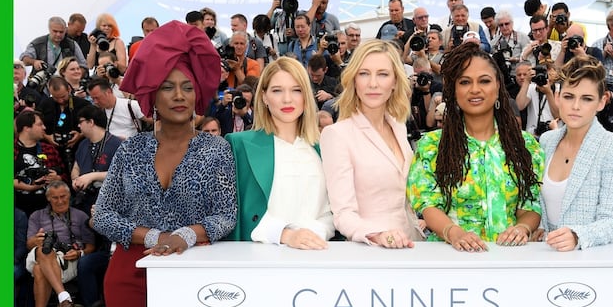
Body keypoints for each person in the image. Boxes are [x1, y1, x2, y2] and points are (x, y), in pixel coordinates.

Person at [92, 20, 237, 307]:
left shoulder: (216, 149)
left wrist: (187, 235)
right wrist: (155, 237)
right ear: (152, 96)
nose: (179, 96)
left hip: (194, 278)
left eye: (187, 87)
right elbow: (103, 215)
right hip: (130, 277)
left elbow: (226, 214)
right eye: (168, 87)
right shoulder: (131, 149)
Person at [407, 42, 544, 251]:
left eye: (484, 81)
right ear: (454, 90)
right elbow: (428, 205)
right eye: (464, 82)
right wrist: (455, 234)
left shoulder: (525, 145)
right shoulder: (432, 146)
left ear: (498, 87)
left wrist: (522, 228)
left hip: (509, 257)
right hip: (452, 257)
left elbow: (530, 204)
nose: (475, 89)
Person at [320, 40, 425, 247]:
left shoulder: (398, 126)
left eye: (383, 74)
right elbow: (343, 213)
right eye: (364, 73)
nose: (373, 83)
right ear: (353, 79)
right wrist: (377, 235)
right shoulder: (337, 135)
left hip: (412, 246)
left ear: (395, 81)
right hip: (371, 251)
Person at [532, 55, 613, 250]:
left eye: (587, 99)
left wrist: (577, 236)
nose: (576, 106)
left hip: (593, 259)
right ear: (557, 97)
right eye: (569, 96)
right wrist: (539, 227)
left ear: (601, 102)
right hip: (548, 255)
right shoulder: (547, 141)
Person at [226, 57, 335, 245]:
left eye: (296, 90)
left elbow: (332, 211)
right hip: (259, 256)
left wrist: (312, 235)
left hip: (317, 251)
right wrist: (285, 235)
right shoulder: (239, 145)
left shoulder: (324, 148)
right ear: (264, 97)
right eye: (277, 90)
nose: (287, 99)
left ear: (306, 96)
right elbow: (234, 213)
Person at [25, 181, 97, 307]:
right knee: (44, 249)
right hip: (39, 255)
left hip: (67, 261)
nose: (59, 201)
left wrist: (79, 253)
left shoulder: (80, 216)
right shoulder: (36, 216)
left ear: (69, 196)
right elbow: (29, 244)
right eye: (55, 198)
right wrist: (36, 240)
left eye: (63, 196)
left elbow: (91, 246)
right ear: (48, 198)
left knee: (39, 269)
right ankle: (64, 298)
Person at [14, 111, 67, 216]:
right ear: (26, 128)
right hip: (16, 211)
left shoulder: (49, 149)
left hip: (48, 210)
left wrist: (57, 178)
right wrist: (27, 186)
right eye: (39, 124)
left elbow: (65, 177)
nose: (44, 127)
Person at [20, 16, 87, 72]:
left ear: (65, 30)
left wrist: (75, 74)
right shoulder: (38, 43)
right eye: (55, 31)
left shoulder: (72, 44)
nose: (58, 34)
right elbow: (24, 59)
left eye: (61, 32)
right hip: (43, 82)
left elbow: (83, 66)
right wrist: (34, 62)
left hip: (65, 82)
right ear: (49, 29)